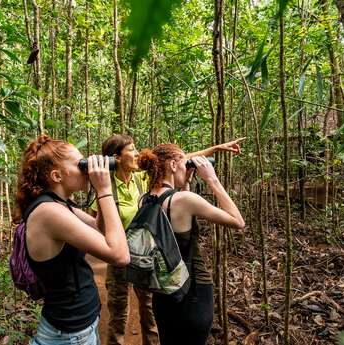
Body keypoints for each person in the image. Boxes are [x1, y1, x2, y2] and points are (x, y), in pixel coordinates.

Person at [90, 134, 244, 345]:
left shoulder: (143, 187)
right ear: (116, 157)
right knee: (119, 314)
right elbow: (238, 222)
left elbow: (175, 164)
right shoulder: (110, 187)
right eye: (131, 149)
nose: (137, 153)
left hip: (155, 272)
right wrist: (211, 179)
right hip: (140, 266)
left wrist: (215, 149)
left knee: (154, 321)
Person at [15, 135, 130, 345]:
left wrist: (100, 188)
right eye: (81, 164)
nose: (87, 168)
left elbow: (100, 228)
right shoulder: (49, 212)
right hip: (70, 335)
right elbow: (120, 255)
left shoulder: (60, 205)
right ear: (57, 175)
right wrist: (105, 190)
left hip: (76, 328)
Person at [137, 144, 245, 345]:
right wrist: (211, 179)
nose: (188, 167)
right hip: (194, 292)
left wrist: (185, 181)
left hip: (164, 292)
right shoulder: (184, 200)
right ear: (172, 164)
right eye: (184, 162)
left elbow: (174, 230)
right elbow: (238, 221)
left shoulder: (145, 200)